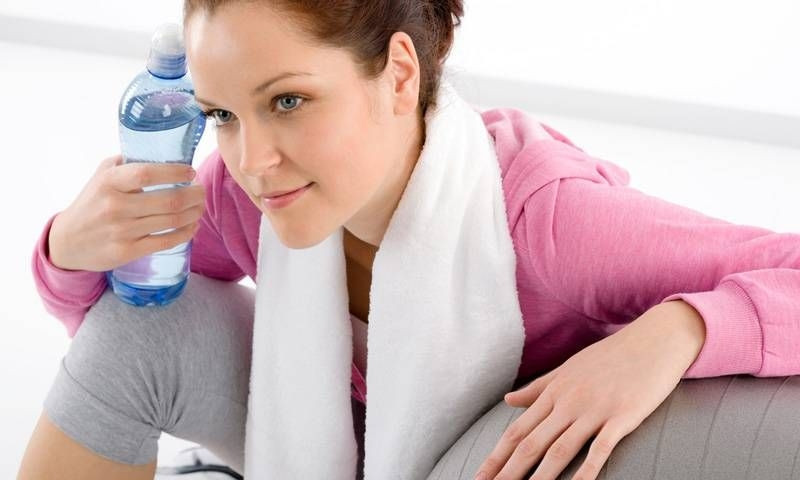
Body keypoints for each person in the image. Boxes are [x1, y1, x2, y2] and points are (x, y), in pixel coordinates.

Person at [17, 1, 800, 479]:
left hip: (508, 448)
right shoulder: (242, 194)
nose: (251, 160)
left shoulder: (546, 216)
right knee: (137, 330)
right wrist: (69, 252)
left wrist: (673, 331)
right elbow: (120, 334)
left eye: (287, 101)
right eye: (222, 114)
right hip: (342, 448)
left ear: (398, 75)